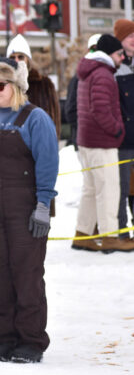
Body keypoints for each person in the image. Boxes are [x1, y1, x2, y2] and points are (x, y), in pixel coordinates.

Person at [0, 57, 59, 363]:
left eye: (0, 85)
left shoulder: (35, 118)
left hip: (25, 208)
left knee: (27, 275)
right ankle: (5, 338)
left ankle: (31, 340)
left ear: (15, 85)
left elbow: (47, 163)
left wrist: (43, 205)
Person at [73, 34, 134, 252]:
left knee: (90, 190)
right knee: (108, 190)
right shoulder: (103, 74)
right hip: (101, 142)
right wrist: (117, 130)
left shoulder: (90, 71)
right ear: (110, 54)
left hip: (87, 141)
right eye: (119, 54)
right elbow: (100, 110)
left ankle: (83, 234)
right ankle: (110, 237)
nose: (122, 58)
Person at [114, 19, 134, 239]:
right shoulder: (115, 68)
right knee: (121, 187)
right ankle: (121, 231)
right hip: (123, 141)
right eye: (130, 36)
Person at [65, 34, 101, 152]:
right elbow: (70, 111)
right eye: (93, 49)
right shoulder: (79, 78)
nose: (97, 53)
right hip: (85, 143)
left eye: (100, 50)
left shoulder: (113, 74)